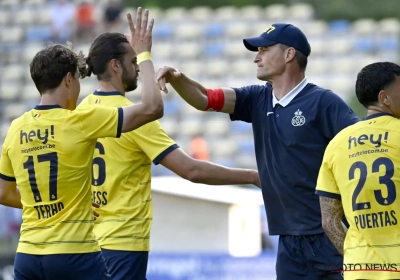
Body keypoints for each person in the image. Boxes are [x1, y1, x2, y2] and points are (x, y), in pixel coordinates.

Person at [155, 23, 360, 279]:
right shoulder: (256, 98)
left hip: (328, 235)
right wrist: (179, 79)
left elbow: (361, 146)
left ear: (289, 55)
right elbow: (205, 99)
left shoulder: (323, 102)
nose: (256, 57)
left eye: (264, 49)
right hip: (288, 242)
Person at [77, 31, 260, 280]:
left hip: (85, 242)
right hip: (123, 242)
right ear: (115, 66)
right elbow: (191, 170)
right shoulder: (134, 117)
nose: (139, 69)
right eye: (133, 61)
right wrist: (251, 176)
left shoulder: (81, 111)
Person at [0, 8, 163, 280]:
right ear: (68, 79)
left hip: (27, 255)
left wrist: (45, 207)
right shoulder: (80, 120)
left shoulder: (15, 128)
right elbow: (152, 108)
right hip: (74, 254)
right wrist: (144, 54)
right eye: (77, 79)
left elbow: (4, 193)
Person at [316, 62, 400, 280]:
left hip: (359, 268)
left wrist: (356, 255)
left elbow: (329, 221)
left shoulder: (337, 144)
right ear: (385, 98)